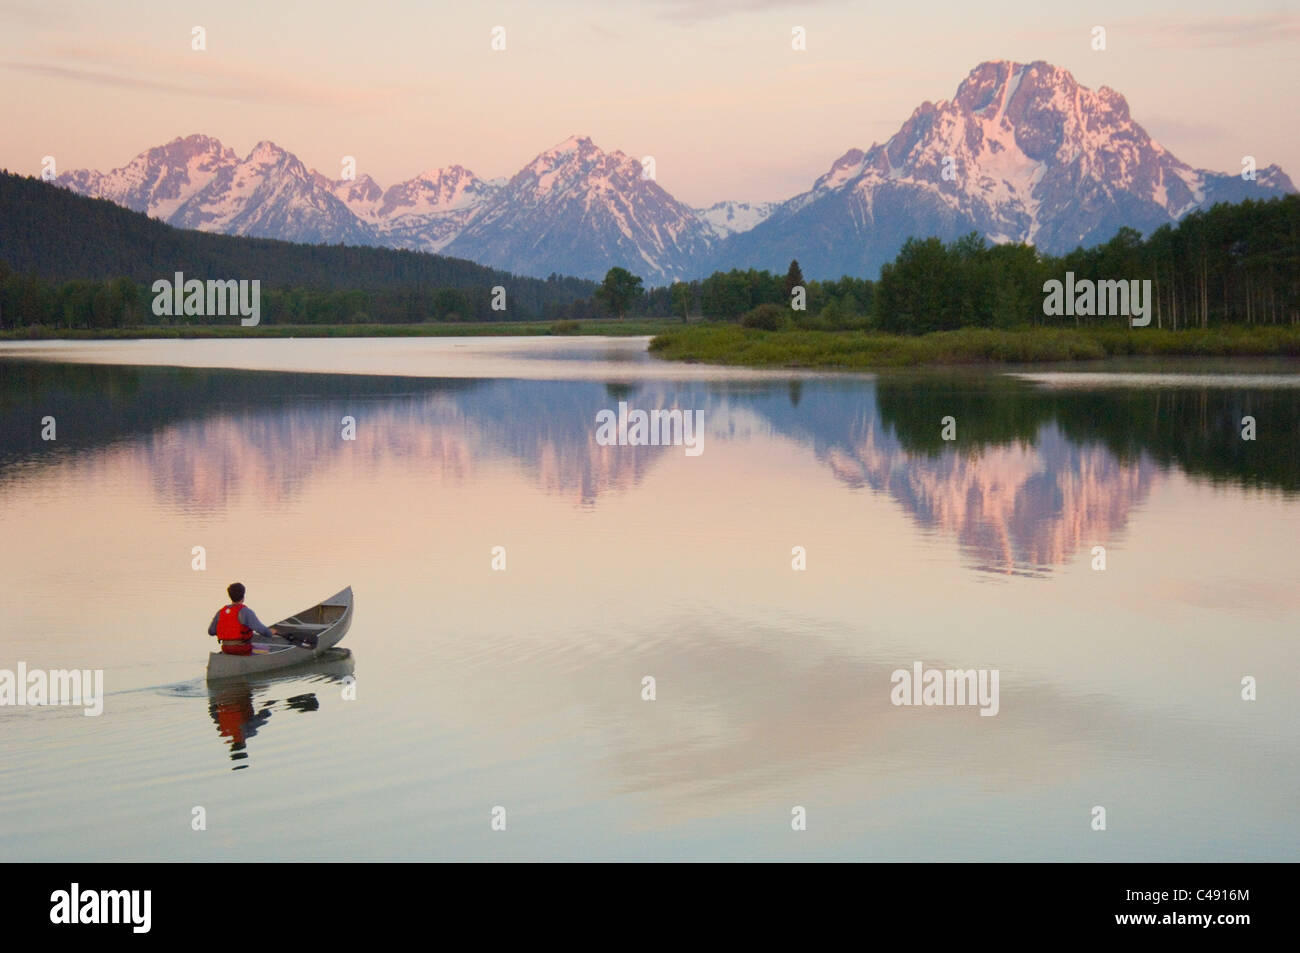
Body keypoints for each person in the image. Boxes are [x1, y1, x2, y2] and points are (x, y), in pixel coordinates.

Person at [208, 583, 277, 655]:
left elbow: (211, 632)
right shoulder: (246, 612)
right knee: (268, 650)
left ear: (230, 596)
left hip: (226, 649)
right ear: (243, 596)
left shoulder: (221, 612)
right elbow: (261, 630)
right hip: (243, 649)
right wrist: (270, 632)